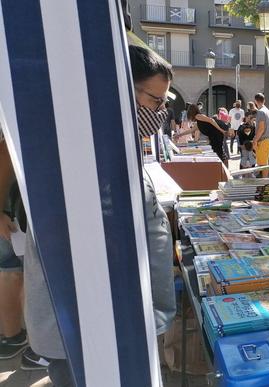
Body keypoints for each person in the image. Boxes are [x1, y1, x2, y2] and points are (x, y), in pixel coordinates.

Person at [21, 45, 178, 387]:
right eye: (155, 101)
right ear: (120, 89)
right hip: (95, 332)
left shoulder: (110, 142)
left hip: (115, 325)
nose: (160, 111)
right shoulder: (82, 148)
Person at [0, 129, 49, 370]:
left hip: (11, 209)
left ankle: (14, 338)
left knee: (11, 271)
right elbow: (5, 154)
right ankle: (37, 348)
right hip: (14, 209)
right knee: (28, 274)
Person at [253, 93, 269, 177]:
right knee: (265, 164)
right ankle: (265, 182)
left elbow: (261, 129)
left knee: (263, 165)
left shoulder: (260, 112)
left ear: (255, 101)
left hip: (263, 140)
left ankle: (265, 183)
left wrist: (255, 140)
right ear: (264, 100)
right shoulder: (267, 110)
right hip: (267, 139)